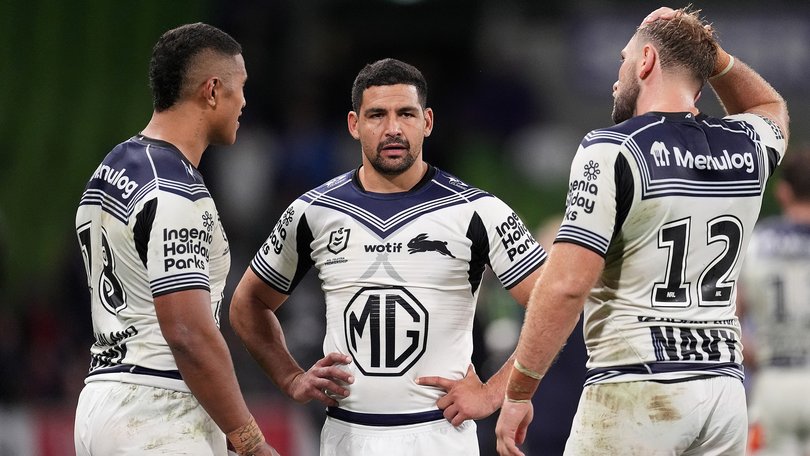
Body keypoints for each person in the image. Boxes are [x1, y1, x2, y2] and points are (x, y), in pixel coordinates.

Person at [495, 6, 789, 456]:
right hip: (723, 392)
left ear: (647, 60)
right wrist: (713, 57)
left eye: (623, 59)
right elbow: (769, 106)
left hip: (637, 387)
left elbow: (569, 285)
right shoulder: (747, 145)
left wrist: (518, 391)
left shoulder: (613, 148)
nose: (617, 77)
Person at [229, 57, 546, 455]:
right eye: (377, 114)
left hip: (439, 437)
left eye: (406, 114)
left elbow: (551, 306)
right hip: (346, 437)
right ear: (353, 124)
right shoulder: (313, 211)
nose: (393, 128)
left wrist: (498, 392)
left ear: (427, 122)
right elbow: (248, 304)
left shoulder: (478, 211)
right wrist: (291, 378)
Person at [73, 23, 278, 456]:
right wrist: (251, 442)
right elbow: (187, 331)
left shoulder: (113, 166)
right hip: (157, 411)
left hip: (102, 397)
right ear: (212, 90)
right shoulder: (175, 190)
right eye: (239, 89)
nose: (243, 101)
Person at [738, 144, 810, 456]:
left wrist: (755, 357)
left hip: (773, 380)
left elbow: (729, 319)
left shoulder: (755, 243)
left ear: (783, 192)